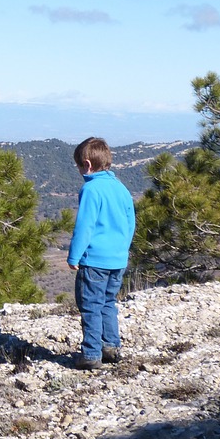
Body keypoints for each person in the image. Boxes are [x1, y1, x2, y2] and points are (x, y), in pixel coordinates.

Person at [66, 136, 136, 369]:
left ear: (86, 164)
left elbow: (84, 227)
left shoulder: (91, 189)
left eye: (78, 167)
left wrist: (74, 256)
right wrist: (122, 249)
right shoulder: (121, 188)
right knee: (108, 302)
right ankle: (111, 348)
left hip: (94, 261)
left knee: (90, 305)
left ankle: (91, 355)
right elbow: (130, 222)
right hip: (117, 260)